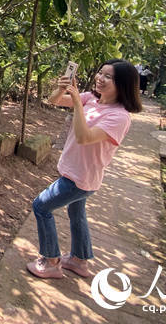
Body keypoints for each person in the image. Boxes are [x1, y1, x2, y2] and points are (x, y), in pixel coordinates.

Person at [26, 59, 142, 279]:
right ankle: (79, 260)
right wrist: (62, 89)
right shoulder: (92, 99)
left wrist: (79, 102)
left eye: (108, 76)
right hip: (77, 173)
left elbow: (83, 137)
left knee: (41, 206)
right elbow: (53, 101)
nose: (100, 78)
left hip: (79, 178)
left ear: (124, 84)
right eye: (100, 73)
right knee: (76, 213)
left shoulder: (119, 117)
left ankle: (51, 261)